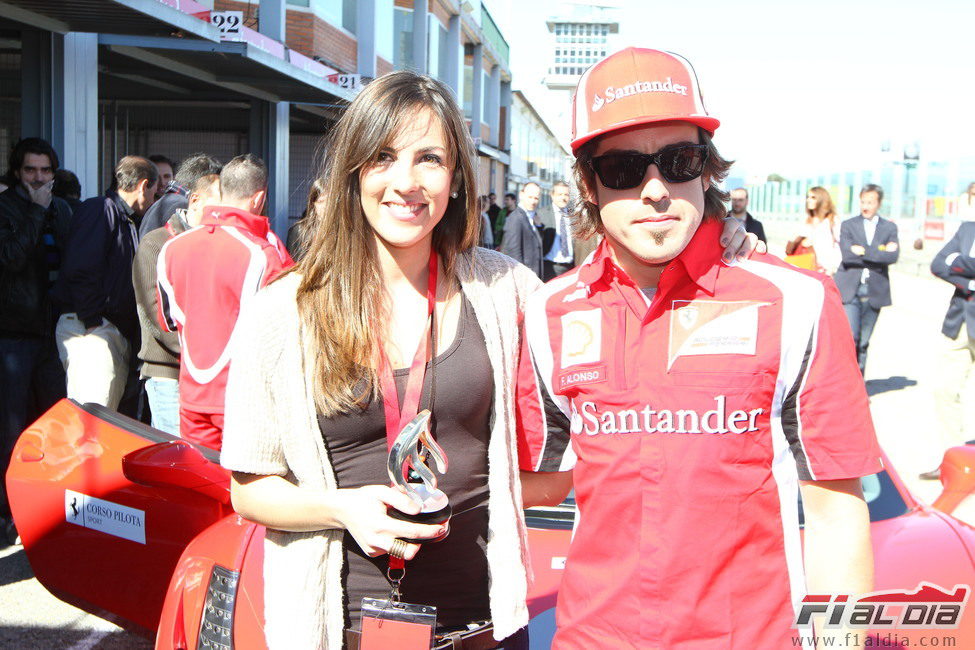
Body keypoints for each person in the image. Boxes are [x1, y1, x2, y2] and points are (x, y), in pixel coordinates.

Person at [220, 70, 758, 650]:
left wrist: (714, 241)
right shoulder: (283, 311)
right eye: (383, 157)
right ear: (353, 173)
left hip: (487, 624)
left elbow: (617, 297)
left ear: (455, 180)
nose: (407, 182)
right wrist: (341, 508)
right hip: (339, 627)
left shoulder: (507, 291)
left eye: (430, 159)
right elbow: (248, 491)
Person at [516, 47, 881, 650]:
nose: (656, 189)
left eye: (678, 160)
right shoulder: (549, 312)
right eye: (625, 168)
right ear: (587, 182)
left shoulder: (798, 301)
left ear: (707, 169)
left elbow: (836, 515)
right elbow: (542, 480)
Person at [157, 154, 292, 451]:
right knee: (244, 492)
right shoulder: (264, 253)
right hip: (245, 400)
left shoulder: (171, 249)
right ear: (259, 198)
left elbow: (167, 321)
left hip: (191, 395)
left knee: (198, 488)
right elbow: (285, 332)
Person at [0, 137, 72, 543]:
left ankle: (44, 506)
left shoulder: (60, 208)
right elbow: (11, 257)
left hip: (52, 332)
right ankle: (9, 509)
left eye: (45, 171)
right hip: (13, 334)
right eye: (31, 170)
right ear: (17, 171)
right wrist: (33, 211)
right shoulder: (9, 207)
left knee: (50, 424)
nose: (39, 178)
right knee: (11, 427)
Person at [52, 155, 157, 410]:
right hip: (92, 331)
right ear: (143, 185)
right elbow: (81, 267)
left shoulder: (125, 218)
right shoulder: (100, 209)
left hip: (104, 330)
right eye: (155, 192)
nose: (155, 200)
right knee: (91, 423)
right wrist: (92, 323)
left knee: (100, 420)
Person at [132, 155, 222, 435]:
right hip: (168, 371)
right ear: (195, 200)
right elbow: (155, 313)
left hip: (205, 374)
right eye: (219, 205)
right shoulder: (157, 242)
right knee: (178, 461)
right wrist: (206, 355)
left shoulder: (217, 243)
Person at [920, 221, 975, 479]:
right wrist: (971, 283)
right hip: (961, 322)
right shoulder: (967, 229)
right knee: (945, 389)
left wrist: (961, 262)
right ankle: (955, 463)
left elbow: (953, 264)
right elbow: (938, 264)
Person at [834, 184, 899, 374]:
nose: (865, 206)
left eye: (870, 202)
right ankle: (847, 382)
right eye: (863, 201)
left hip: (874, 291)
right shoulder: (849, 225)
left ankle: (859, 384)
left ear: (878, 203)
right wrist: (879, 251)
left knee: (863, 341)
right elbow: (847, 255)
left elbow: (892, 257)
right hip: (850, 289)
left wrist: (862, 251)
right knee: (851, 337)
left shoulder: (889, 227)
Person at [786, 186, 841, 274]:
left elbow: (838, 245)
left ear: (821, 199)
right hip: (808, 266)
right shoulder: (807, 220)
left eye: (813, 197)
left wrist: (832, 268)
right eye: (808, 197)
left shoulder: (832, 220)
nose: (808, 200)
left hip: (827, 269)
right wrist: (801, 241)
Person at [499, 182, 544, 277]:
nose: (533, 201)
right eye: (530, 197)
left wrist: (539, 227)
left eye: (536, 198)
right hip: (524, 277)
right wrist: (522, 277)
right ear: (521, 195)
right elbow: (513, 252)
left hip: (532, 275)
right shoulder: (516, 217)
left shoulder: (531, 216)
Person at [543, 181, 574, 280]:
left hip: (572, 267)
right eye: (559, 194)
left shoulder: (574, 215)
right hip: (550, 267)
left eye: (566, 194)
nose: (563, 197)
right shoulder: (542, 214)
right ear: (552, 195)